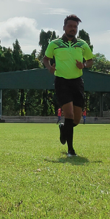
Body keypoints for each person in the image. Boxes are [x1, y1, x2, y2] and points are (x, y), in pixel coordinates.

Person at [42, 14, 94, 157]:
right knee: (69, 114)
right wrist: (49, 68)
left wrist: (83, 65)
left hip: (77, 83)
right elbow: (45, 59)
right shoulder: (55, 44)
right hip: (62, 82)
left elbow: (90, 61)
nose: (73, 29)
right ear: (64, 27)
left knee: (76, 120)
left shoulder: (82, 44)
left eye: (75, 27)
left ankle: (63, 128)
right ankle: (71, 150)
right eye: (70, 26)